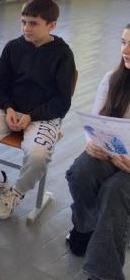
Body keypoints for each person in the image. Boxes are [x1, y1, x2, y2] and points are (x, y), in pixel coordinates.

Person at [0, 0, 76, 220]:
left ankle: (16, 193)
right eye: (23, 22)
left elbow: (62, 101)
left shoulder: (63, 54)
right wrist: (8, 108)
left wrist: (31, 116)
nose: (26, 28)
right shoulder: (13, 48)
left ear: (52, 25)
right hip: (10, 110)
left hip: (44, 116)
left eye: (34, 23)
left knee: (38, 155)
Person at [65, 23, 130, 280]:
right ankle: (85, 227)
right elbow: (96, 121)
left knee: (114, 191)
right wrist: (91, 143)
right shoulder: (112, 79)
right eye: (124, 42)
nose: (126, 50)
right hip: (112, 154)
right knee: (81, 172)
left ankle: (103, 274)